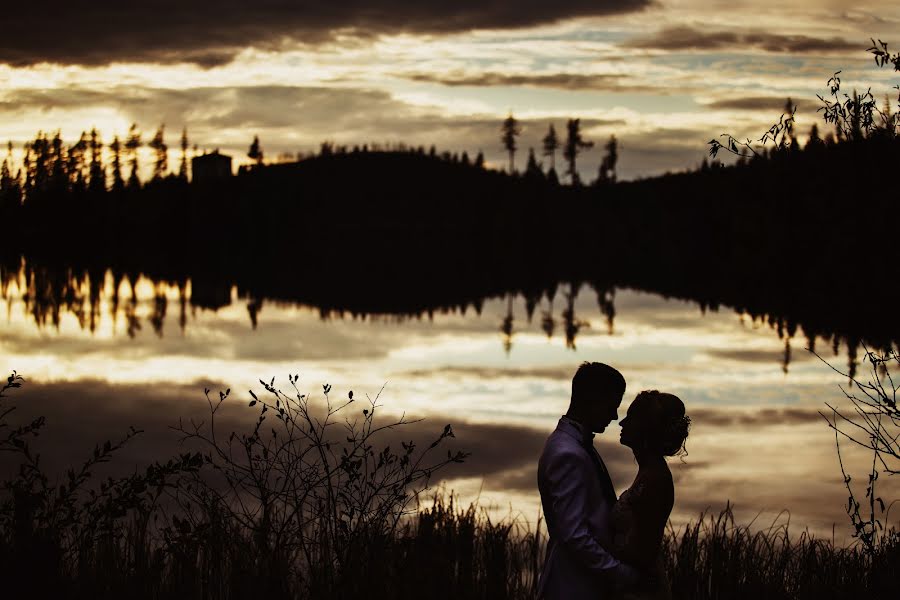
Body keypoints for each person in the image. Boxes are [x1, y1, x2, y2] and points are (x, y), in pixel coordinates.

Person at [537, 362, 640, 599]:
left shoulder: (575, 446)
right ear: (591, 399)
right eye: (611, 405)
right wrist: (622, 573)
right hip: (574, 587)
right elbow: (573, 535)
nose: (615, 416)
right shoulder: (568, 454)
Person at [610, 390, 691, 600]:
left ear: (645, 429)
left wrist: (591, 546)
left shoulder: (654, 479)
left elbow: (642, 552)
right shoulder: (648, 472)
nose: (622, 423)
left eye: (630, 418)